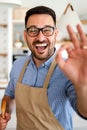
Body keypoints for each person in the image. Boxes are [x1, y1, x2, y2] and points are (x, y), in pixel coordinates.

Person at [0, 5, 87, 130]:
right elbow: (9, 95)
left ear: (55, 34)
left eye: (47, 30)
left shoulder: (68, 70)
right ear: (25, 36)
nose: (40, 37)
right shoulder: (17, 65)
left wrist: (83, 85)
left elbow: (85, 112)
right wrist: (4, 113)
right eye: (33, 30)